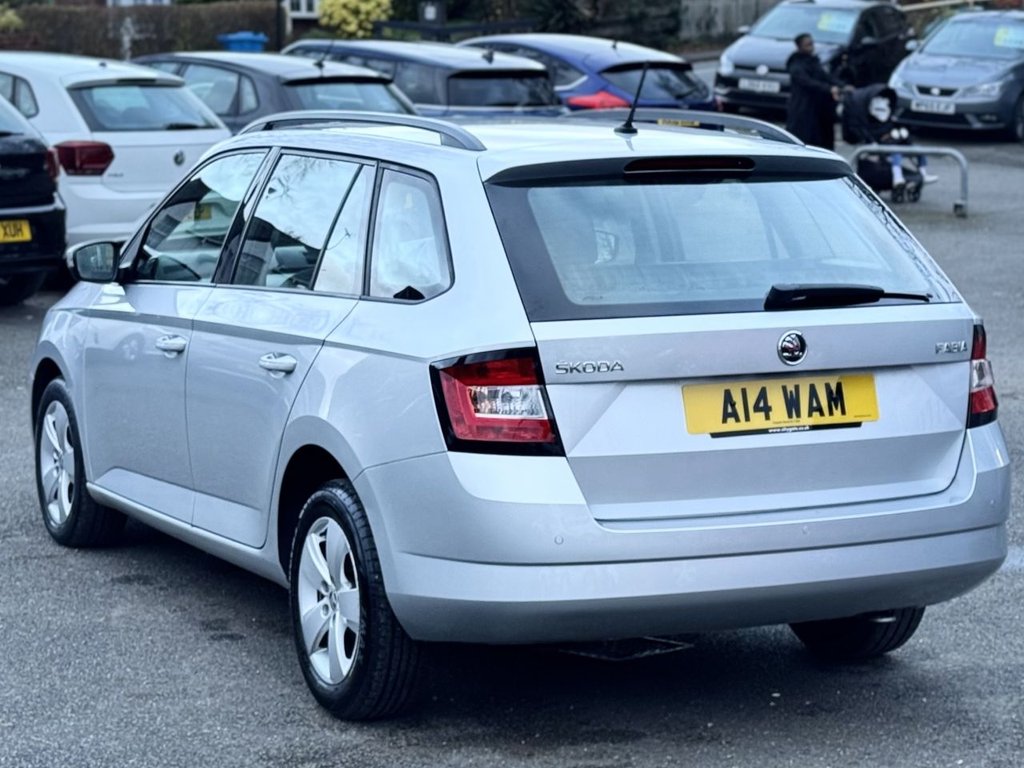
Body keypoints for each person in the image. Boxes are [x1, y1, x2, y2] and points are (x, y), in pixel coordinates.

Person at [786, 33, 843, 150]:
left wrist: (841, 85)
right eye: (807, 45)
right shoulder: (796, 64)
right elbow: (806, 81)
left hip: (819, 107)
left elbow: (825, 76)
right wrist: (829, 89)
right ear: (799, 47)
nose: (811, 47)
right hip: (803, 107)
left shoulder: (813, 61)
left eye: (812, 44)